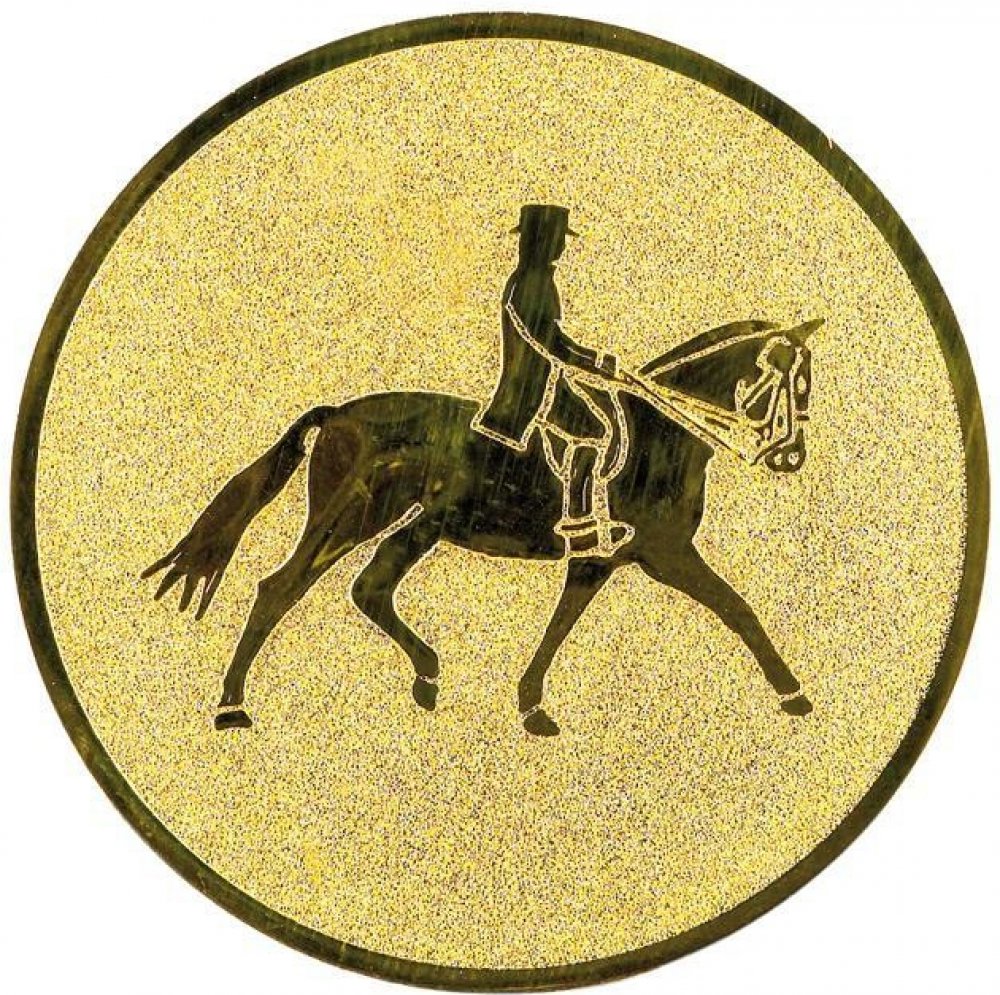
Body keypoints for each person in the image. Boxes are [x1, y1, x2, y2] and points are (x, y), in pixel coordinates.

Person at [473, 204, 633, 556]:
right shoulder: (532, 282)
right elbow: (548, 340)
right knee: (596, 432)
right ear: (544, 240)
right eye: (559, 239)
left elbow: (553, 337)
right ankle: (579, 525)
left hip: (544, 383)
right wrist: (593, 363)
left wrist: (593, 362)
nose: (562, 246)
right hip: (531, 390)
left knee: (595, 429)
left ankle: (579, 518)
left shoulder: (535, 278)